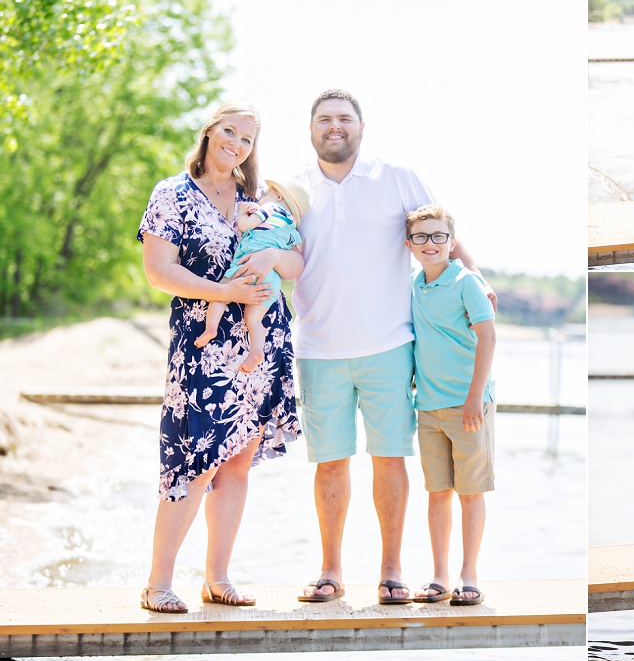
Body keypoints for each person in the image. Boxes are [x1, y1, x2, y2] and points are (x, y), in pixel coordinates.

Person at [234, 88, 495, 605]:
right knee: (330, 463)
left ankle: (392, 571)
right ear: (311, 130)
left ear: (361, 127)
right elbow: (266, 245)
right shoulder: (288, 190)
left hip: (390, 346)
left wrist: (478, 276)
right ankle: (330, 572)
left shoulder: (397, 176)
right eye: (325, 119)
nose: (336, 127)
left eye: (345, 119)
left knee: (389, 459)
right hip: (317, 348)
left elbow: (442, 232)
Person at [137, 101, 302, 613]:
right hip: (204, 346)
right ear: (209, 132)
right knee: (196, 463)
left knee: (237, 464)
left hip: (263, 342)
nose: (237, 144)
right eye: (229, 132)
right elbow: (159, 272)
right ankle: (158, 583)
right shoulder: (173, 194)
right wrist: (225, 292)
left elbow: (298, 261)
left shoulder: (259, 197)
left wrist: (276, 257)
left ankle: (217, 578)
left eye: (247, 139)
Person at [405, 204, 496, 606]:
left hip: (469, 406)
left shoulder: (466, 282)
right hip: (428, 407)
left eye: (438, 236)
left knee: (470, 492)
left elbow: (489, 337)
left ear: (452, 242)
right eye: (421, 237)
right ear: (410, 244)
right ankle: (439, 576)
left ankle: (469, 575)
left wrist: (475, 397)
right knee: (437, 492)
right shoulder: (412, 283)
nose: (430, 243)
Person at [195, 178, 310, 373]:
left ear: (278, 196)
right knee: (254, 320)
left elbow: (245, 225)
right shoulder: (290, 226)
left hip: (246, 265)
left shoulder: (269, 209)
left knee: (221, 292)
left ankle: (211, 328)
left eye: (266, 194)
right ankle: (256, 351)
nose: (263, 198)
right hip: (270, 278)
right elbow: (294, 255)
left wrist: (243, 213)